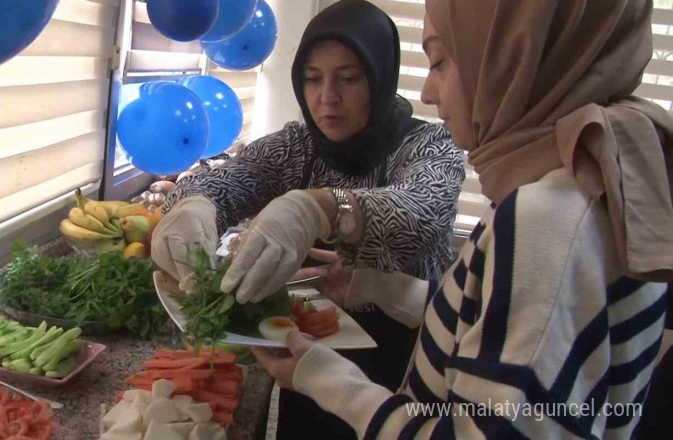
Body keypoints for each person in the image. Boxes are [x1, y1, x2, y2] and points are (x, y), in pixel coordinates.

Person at [252, 0, 673, 438]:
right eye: (313, 79)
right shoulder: (603, 173)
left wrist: (327, 380)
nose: (429, 92)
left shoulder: (545, 220)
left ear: (513, 62)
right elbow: (499, 323)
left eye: (439, 62)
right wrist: (370, 286)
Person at [152, 1, 464, 438]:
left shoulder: (431, 144)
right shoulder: (299, 145)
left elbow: (419, 214)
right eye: (312, 79)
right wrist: (191, 205)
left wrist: (321, 208)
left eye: (349, 79)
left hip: (405, 368)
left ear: (381, 77)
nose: (326, 97)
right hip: (303, 358)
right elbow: (231, 179)